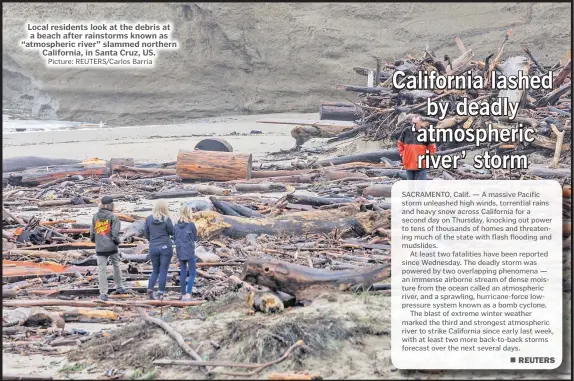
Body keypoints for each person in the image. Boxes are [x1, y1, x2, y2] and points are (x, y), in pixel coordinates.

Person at [90, 196, 126, 301]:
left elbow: (92, 232)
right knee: (116, 265)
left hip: (100, 247)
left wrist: (95, 241)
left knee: (102, 269)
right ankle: (119, 286)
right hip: (111, 246)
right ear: (111, 205)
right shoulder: (113, 217)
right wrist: (117, 242)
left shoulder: (95, 216)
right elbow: (115, 234)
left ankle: (103, 293)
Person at [145, 200, 174, 300]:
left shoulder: (148, 219)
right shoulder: (166, 219)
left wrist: (152, 241)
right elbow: (172, 232)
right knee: (163, 271)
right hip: (165, 247)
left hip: (153, 247)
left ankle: (150, 289)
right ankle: (160, 293)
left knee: (155, 270)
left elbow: (146, 234)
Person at [397, 115, 437, 180]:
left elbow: (432, 147)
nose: (414, 125)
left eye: (416, 123)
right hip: (408, 164)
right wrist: (402, 154)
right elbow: (400, 144)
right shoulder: (406, 131)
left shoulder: (426, 133)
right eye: (413, 123)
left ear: (420, 122)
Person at [174, 204, 198, 301]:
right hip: (189, 250)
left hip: (180, 250)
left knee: (183, 272)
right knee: (192, 273)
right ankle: (188, 293)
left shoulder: (175, 225)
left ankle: (183, 294)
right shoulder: (191, 225)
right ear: (189, 213)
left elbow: (174, 238)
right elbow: (195, 238)